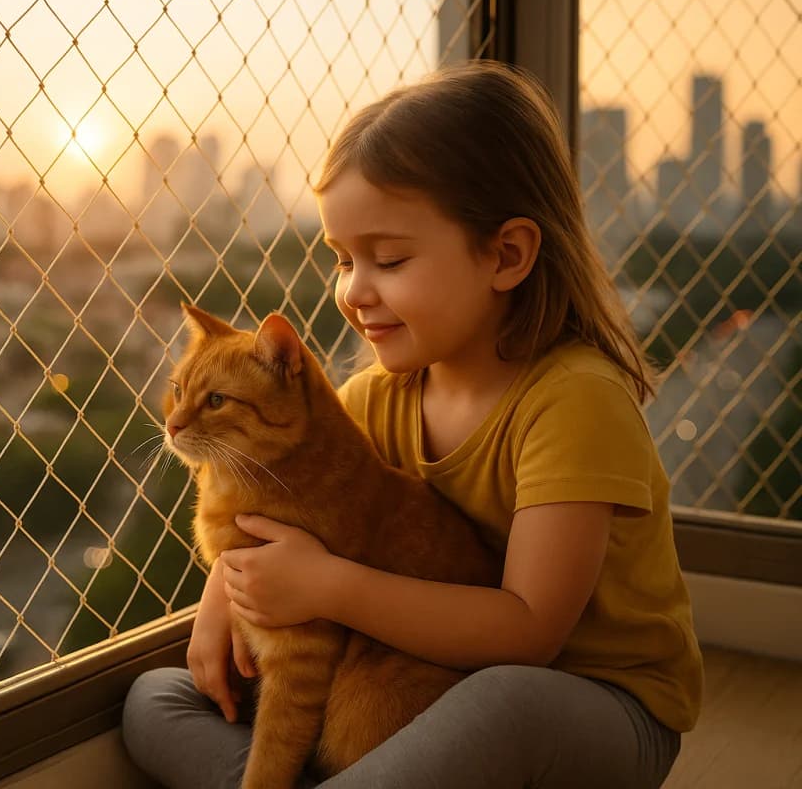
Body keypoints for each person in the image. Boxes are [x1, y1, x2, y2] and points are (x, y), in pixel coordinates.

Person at [123, 60, 702, 788]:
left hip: (591, 706)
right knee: (154, 699)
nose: (354, 291)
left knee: (505, 706)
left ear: (507, 254)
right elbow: (264, 508)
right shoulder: (371, 400)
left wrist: (328, 587)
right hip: (426, 689)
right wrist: (220, 606)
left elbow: (528, 633)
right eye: (340, 259)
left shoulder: (575, 402)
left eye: (388, 259)